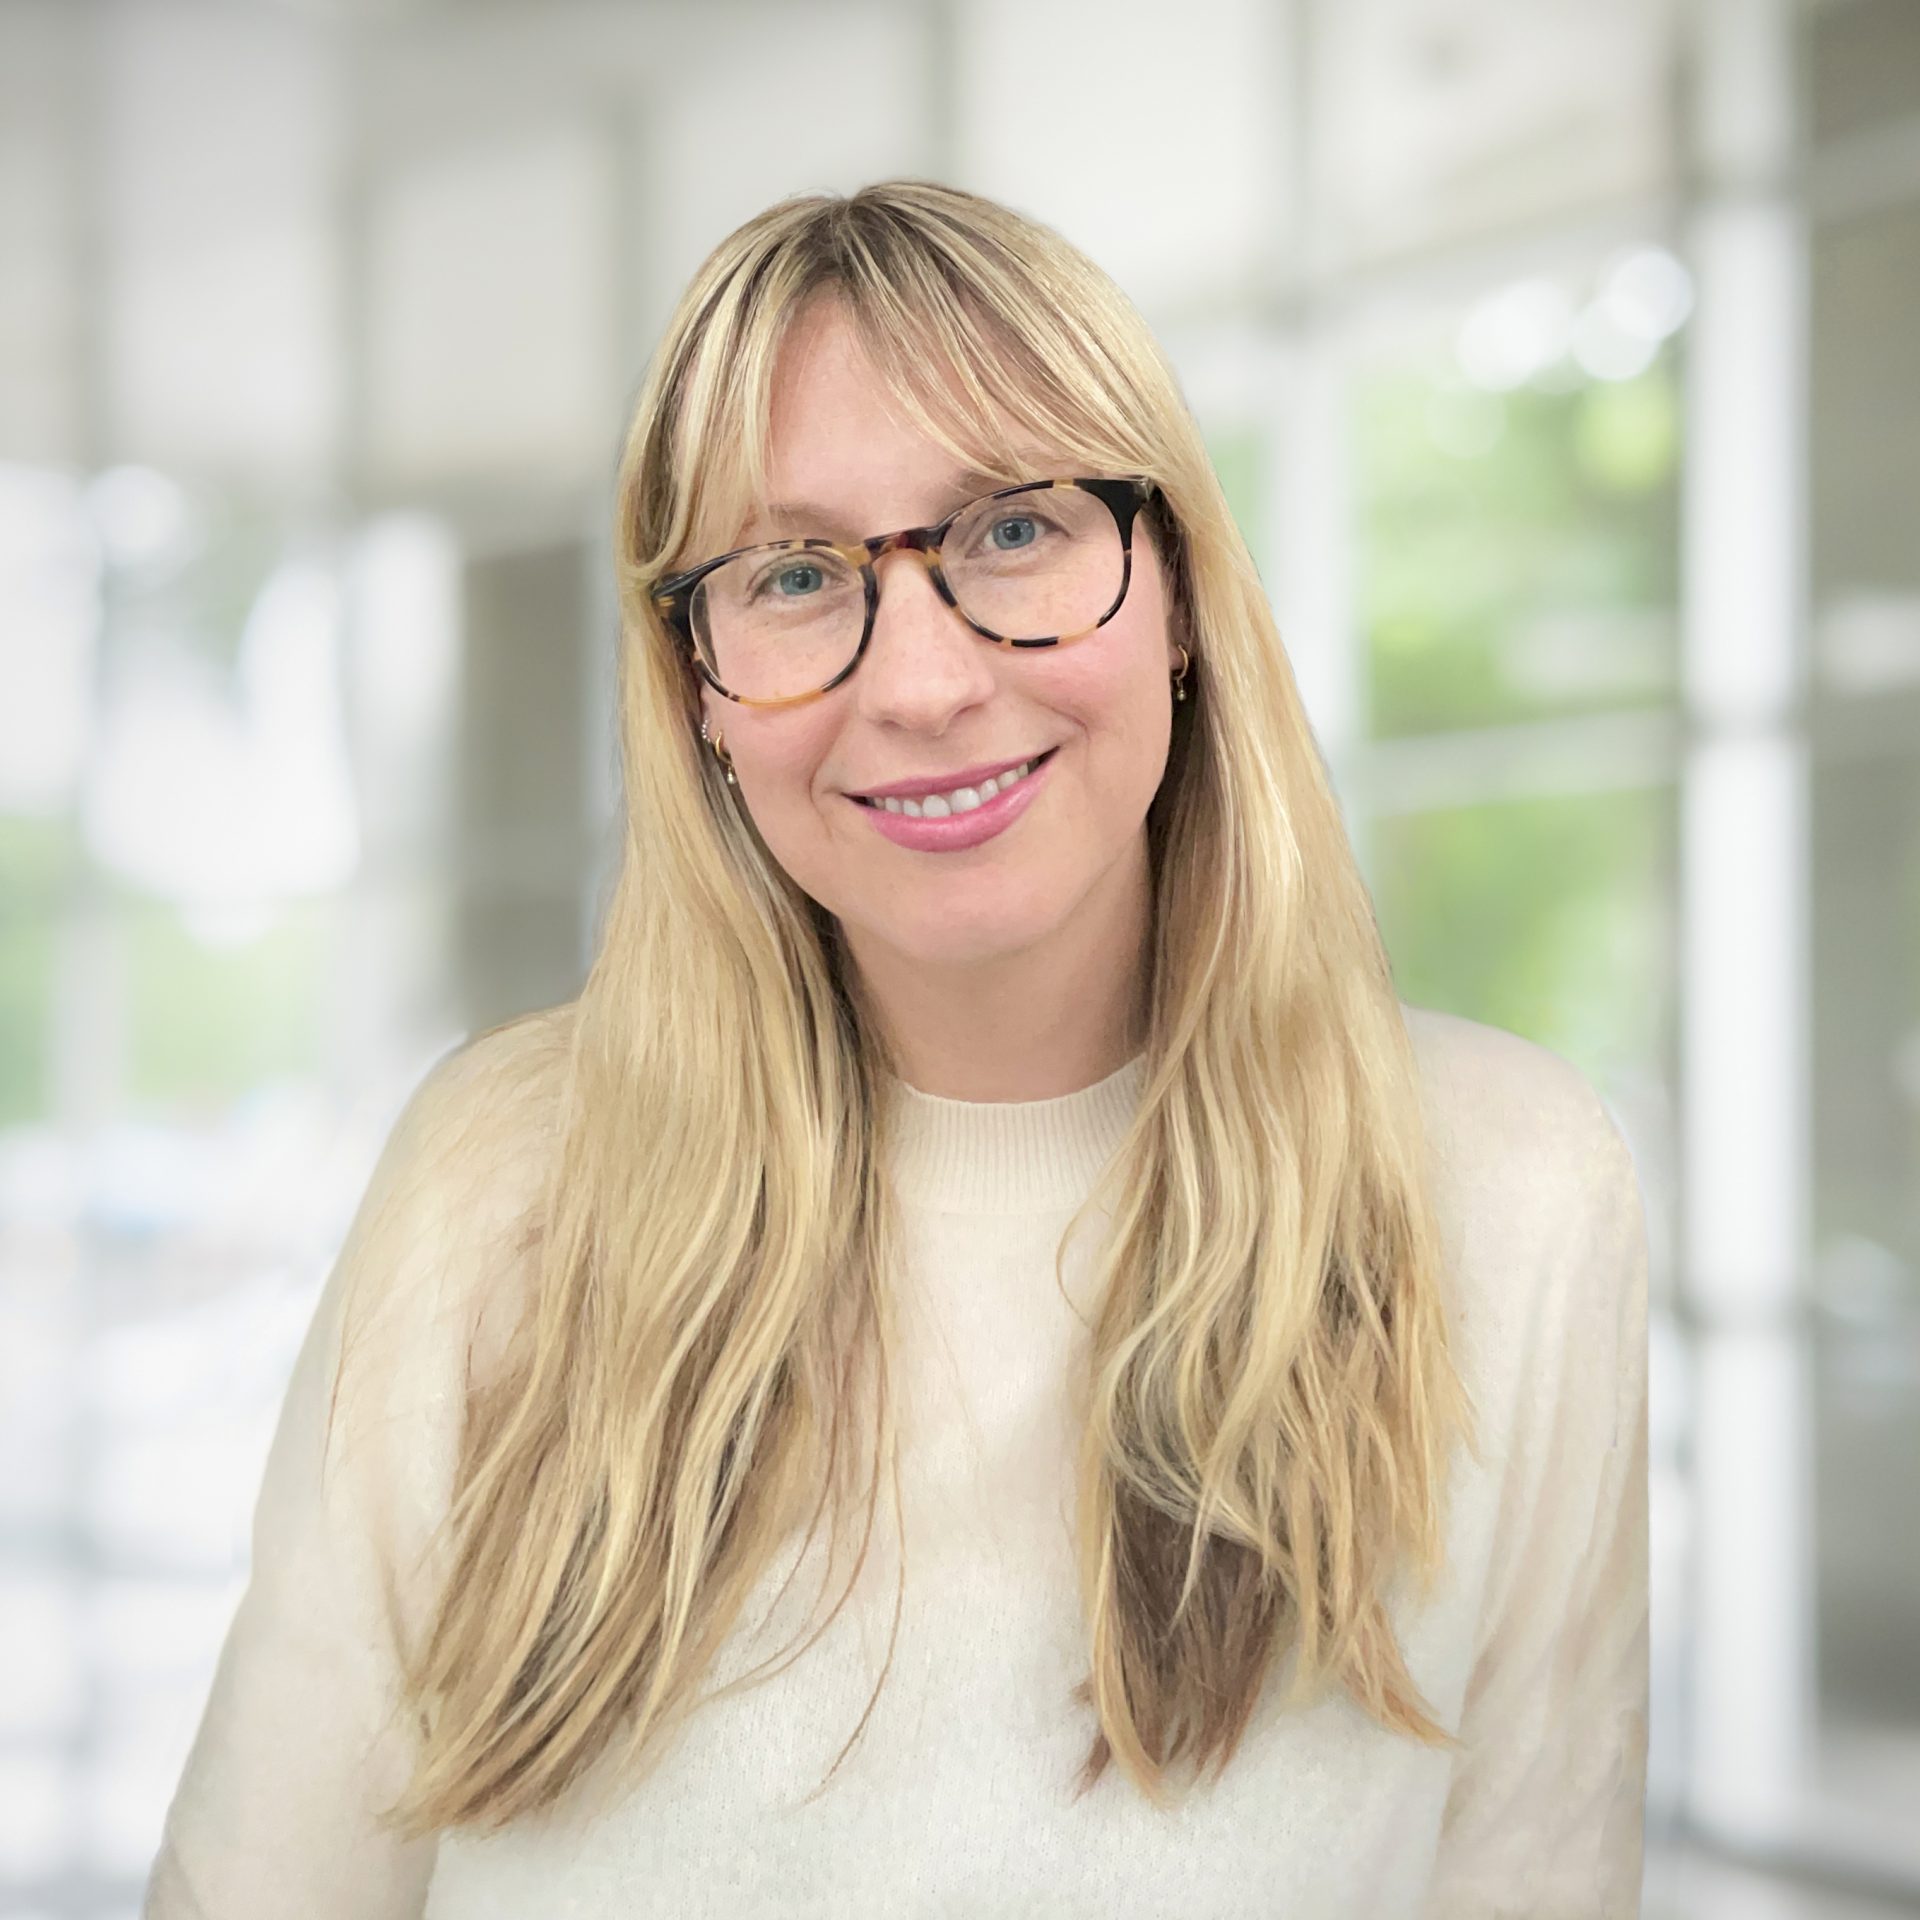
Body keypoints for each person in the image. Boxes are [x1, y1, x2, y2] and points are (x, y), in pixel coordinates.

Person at [144, 179, 1650, 1919]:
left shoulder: (1514, 1188)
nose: (923, 684)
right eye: (793, 573)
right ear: (698, 693)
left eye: (1013, 531)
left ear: (1177, 596)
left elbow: (1544, 1864)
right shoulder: (504, 1177)